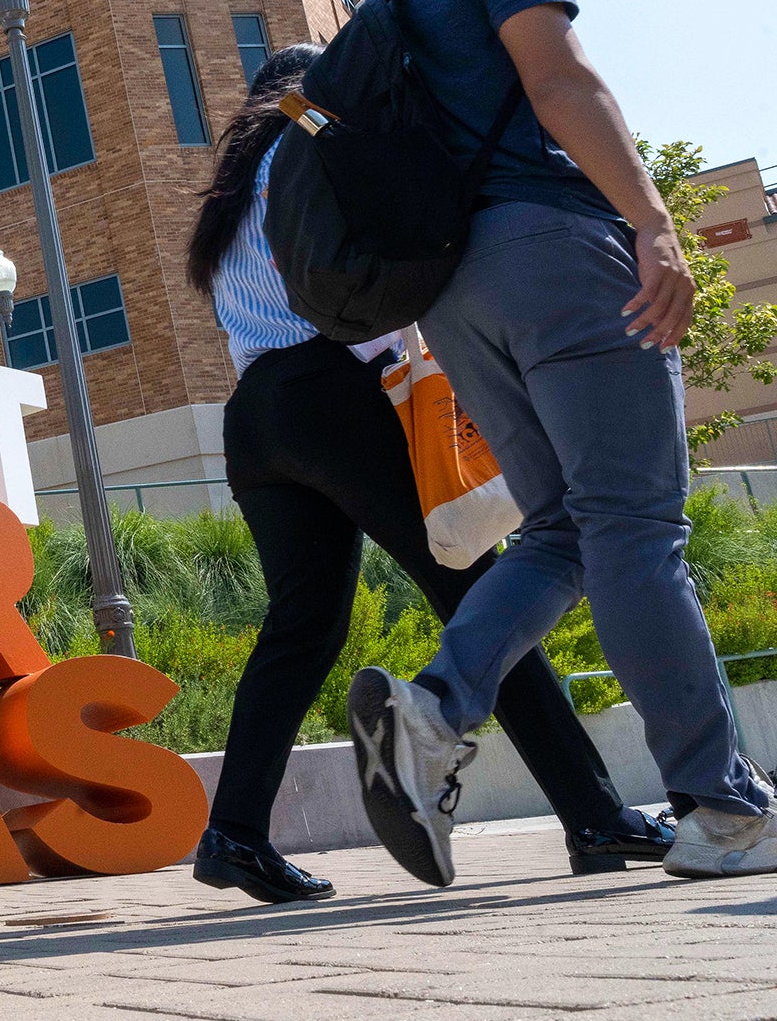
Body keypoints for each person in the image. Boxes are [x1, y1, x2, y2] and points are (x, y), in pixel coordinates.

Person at [347, 0, 774, 886]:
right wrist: (656, 223)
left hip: (452, 289)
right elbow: (560, 80)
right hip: (557, 251)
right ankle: (724, 805)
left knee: (566, 530)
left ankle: (434, 707)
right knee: (637, 521)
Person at [186, 45, 671, 905]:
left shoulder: (225, 205)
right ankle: (596, 814)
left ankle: (233, 834)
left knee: (300, 628)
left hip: (256, 418)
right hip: (337, 395)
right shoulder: (315, 148)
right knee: (481, 596)